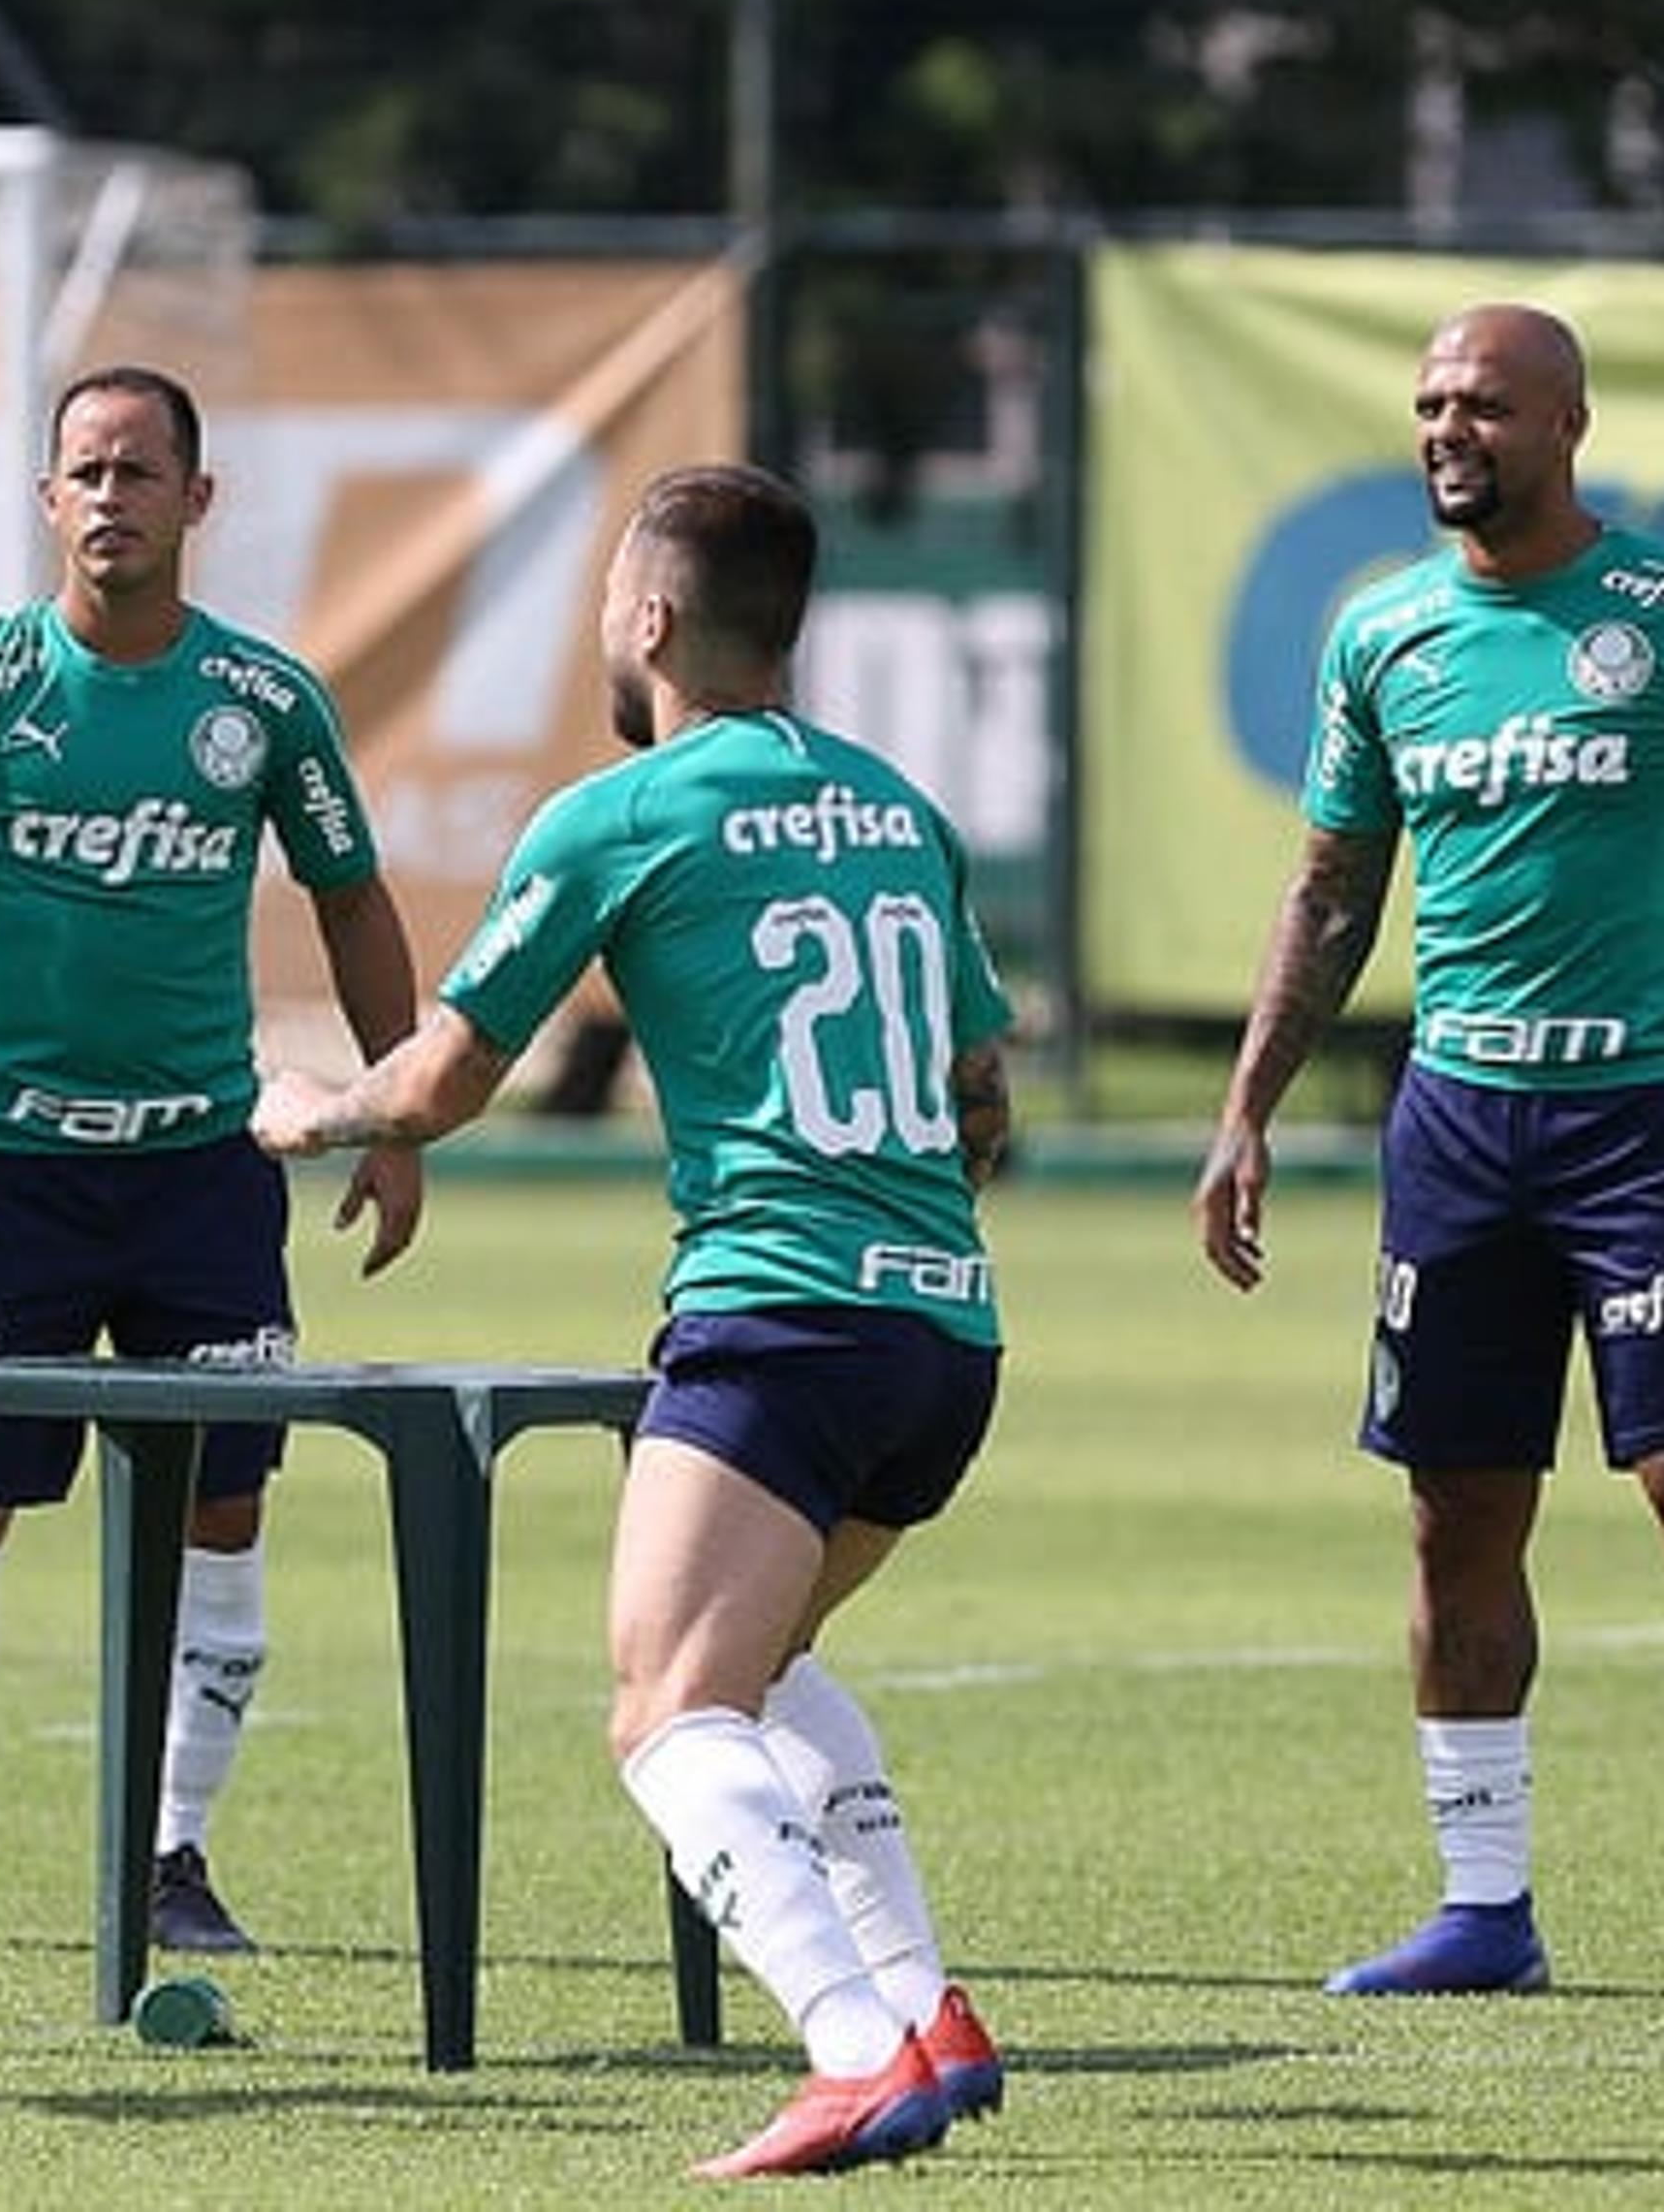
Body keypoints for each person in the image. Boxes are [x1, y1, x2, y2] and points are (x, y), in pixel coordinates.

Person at [252, 463, 1013, 2180]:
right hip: (945, 1335)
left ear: (652, 618)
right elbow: (982, 1097)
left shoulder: (622, 812)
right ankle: (925, 2010)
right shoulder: (900, 809)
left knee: (666, 1713)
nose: (602, 617)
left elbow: (444, 1081)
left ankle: (847, 2049)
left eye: (610, 590)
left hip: (782, 1323)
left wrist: (312, 1111)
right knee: (763, 1668)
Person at [1194, 301, 1664, 2009]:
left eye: (1483, 404)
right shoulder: (1384, 637)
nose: (1447, 430)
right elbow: (1332, 891)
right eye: (1428, 403)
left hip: (1643, 1122)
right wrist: (1248, 1108)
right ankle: (1484, 1907)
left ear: (1568, 423)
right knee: (1454, 1516)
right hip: (1457, 1127)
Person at [0, 364, 424, 1959]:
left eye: (141, 473)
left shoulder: (264, 705)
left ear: (197, 502)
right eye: (83, 470)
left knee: (223, 1508)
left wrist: (396, 1112)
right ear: (44, 495)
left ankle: (174, 1861)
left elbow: (353, 898)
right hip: (7, 1177)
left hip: (204, 1174)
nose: (109, 497)